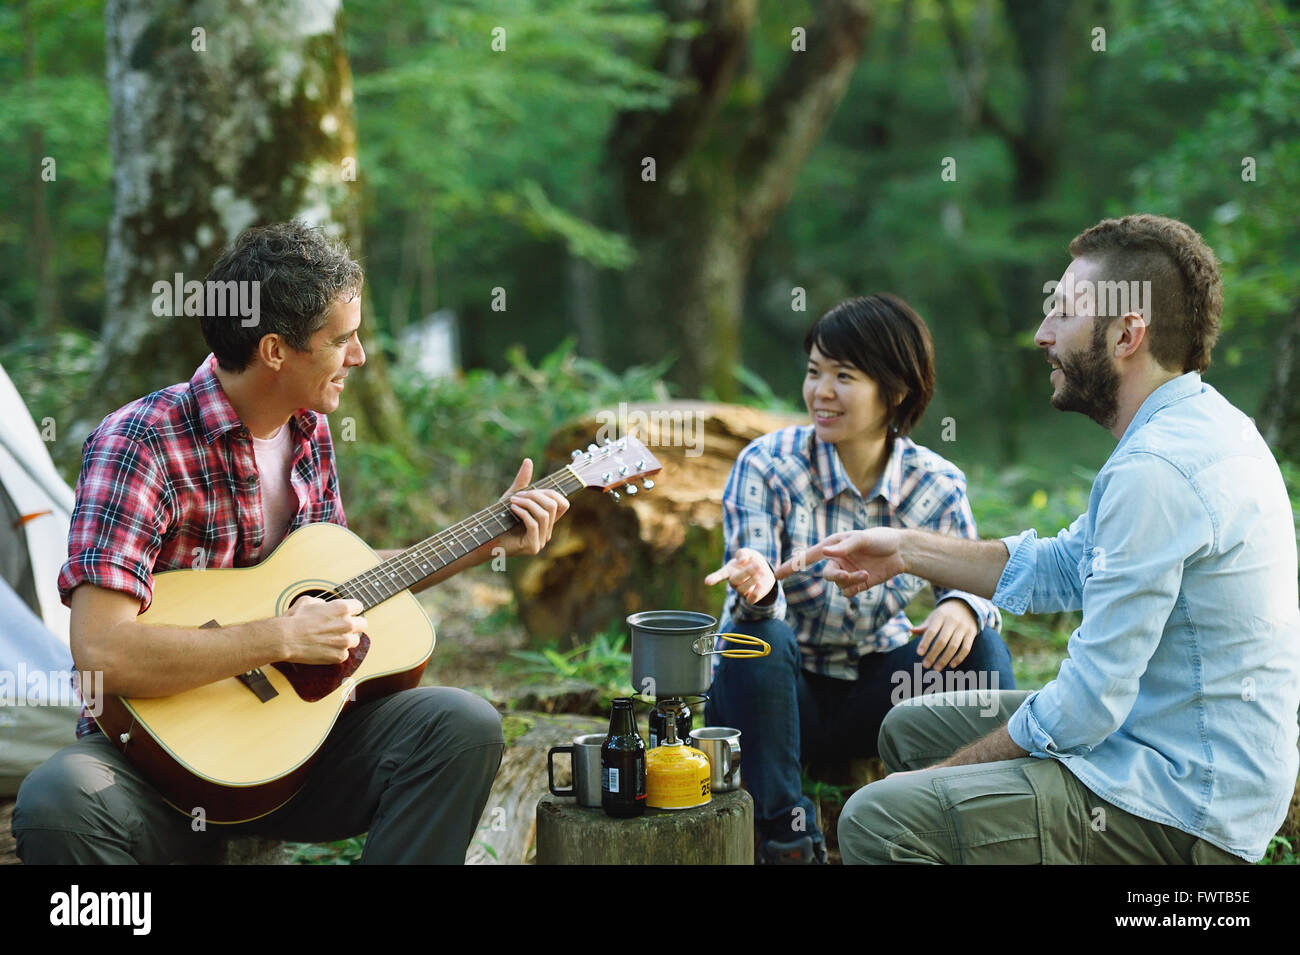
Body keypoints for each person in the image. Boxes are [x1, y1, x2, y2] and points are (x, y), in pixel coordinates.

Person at [11, 221, 570, 864]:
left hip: (291, 756)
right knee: (58, 801)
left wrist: (489, 534)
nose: (359, 357)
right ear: (276, 350)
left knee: (460, 726)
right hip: (157, 768)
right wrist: (280, 638)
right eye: (343, 339)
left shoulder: (309, 431)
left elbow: (332, 582)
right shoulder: (140, 443)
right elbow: (101, 652)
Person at [782, 214, 1299, 864]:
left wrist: (949, 777)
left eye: (1062, 313)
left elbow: (1088, 704)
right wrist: (907, 549)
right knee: (912, 726)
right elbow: (1069, 565)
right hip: (1161, 740)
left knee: (879, 819)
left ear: (1126, 334)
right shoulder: (1199, 426)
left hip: (1180, 807)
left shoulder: (1156, 471)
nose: (1041, 335)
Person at [703, 294, 1015, 864]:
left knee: (982, 650)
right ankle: (785, 838)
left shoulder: (935, 484)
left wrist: (962, 607)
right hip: (769, 698)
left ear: (895, 392)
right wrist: (759, 587)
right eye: (814, 371)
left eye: (843, 376)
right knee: (759, 639)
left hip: (874, 696)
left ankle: (967, 819)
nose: (821, 391)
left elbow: (974, 580)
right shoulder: (767, 465)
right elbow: (753, 593)